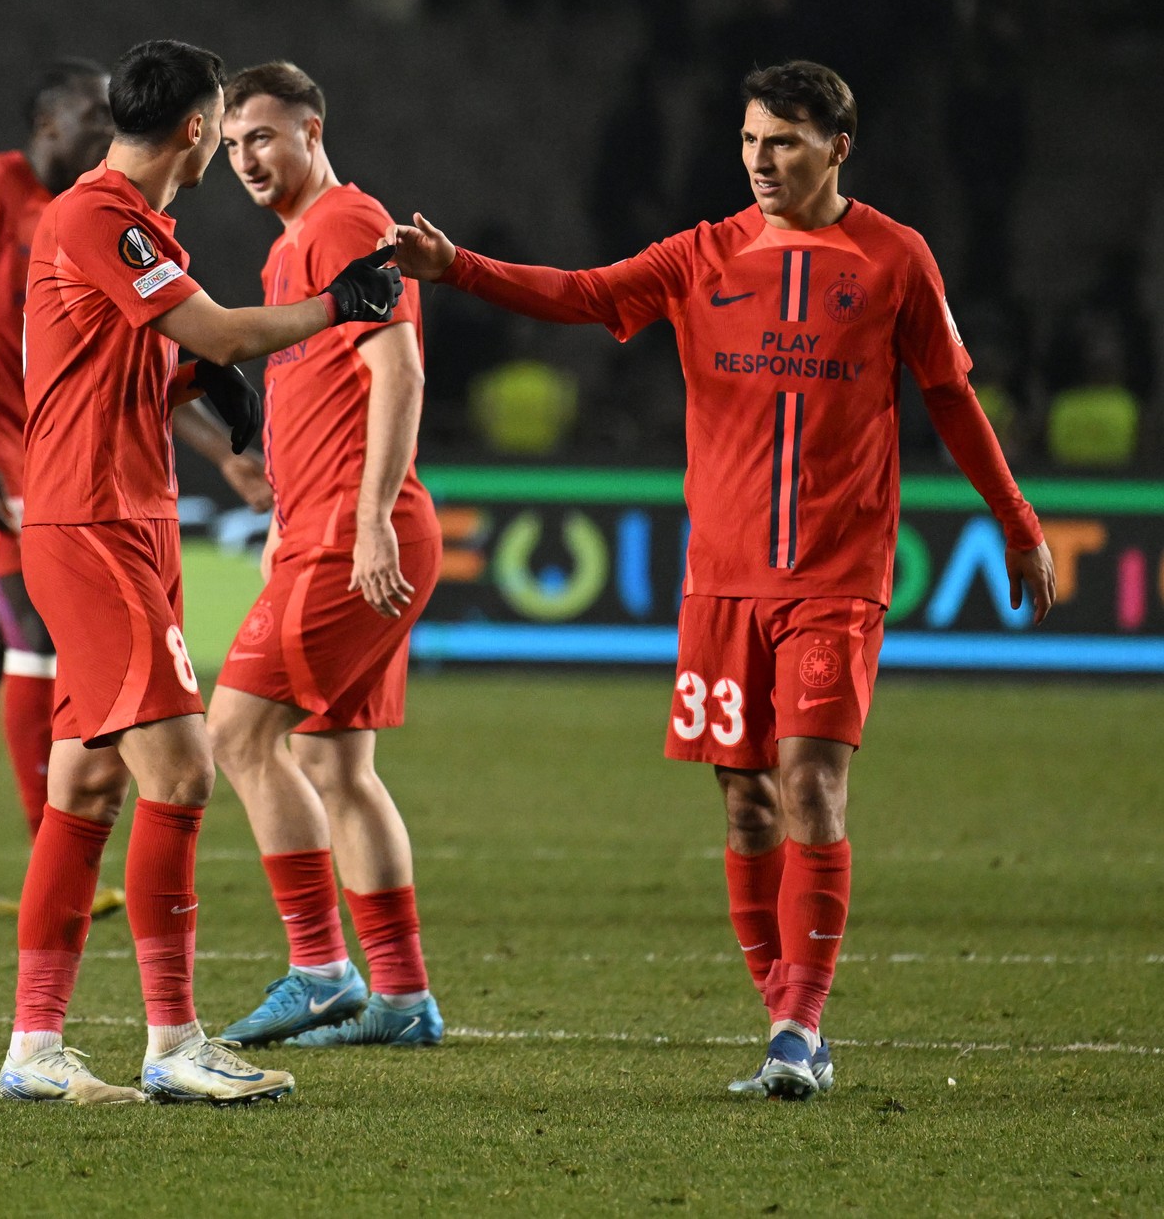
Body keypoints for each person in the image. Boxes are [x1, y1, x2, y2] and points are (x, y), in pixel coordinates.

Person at [390, 60, 1057, 1100]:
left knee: (810, 781)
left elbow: (953, 399)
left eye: (784, 143)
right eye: (750, 142)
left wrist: (1016, 521)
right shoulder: (702, 255)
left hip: (836, 574)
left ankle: (796, 1028)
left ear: (839, 148)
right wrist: (457, 267)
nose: (761, 162)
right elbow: (582, 294)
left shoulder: (894, 260)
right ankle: (787, 1024)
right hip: (721, 582)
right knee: (745, 806)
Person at [0, 38, 404, 1105]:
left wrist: (197, 390)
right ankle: (173, 1041)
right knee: (181, 770)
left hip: (125, 519)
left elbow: (148, 359)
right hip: (92, 526)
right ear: (195, 128)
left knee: (84, 783)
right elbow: (222, 327)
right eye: (220, 129)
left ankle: (34, 1049)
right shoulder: (99, 217)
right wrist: (339, 306)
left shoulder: (125, 229)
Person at [0, 58, 271, 917]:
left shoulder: (104, 217)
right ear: (45, 120)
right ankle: (43, 841)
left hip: (49, 445)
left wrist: (219, 456)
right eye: (85, 115)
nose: (104, 129)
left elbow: (126, 370)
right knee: (24, 625)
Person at [206, 62, 444, 1048]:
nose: (246, 159)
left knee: (236, 736)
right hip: (319, 533)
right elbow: (317, 402)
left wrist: (371, 517)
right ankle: (400, 998)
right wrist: (281, 528)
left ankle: (318, 967)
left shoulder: (346, 224)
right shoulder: (287, 252)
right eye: (229, 146)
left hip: (355, 540)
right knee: (334, 760)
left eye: (261, 136)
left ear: (311, 128)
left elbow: (400, 368)